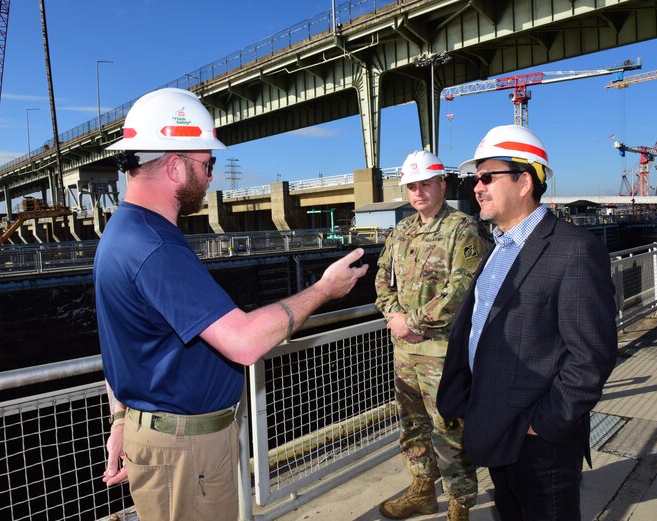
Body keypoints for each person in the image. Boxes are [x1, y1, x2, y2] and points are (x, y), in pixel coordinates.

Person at [94, 87, 369, 521]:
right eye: (207, 164)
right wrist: (324, 289)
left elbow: (119, 342)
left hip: (167, 439)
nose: (210, 177)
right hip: (186, 453)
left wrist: (121, 420)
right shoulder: (155, 247)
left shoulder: (121, 233)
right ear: (174, 166)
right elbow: (242, 342)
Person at [437, 124, 618, 521]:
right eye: (474, 178)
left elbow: (592, 356)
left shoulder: (574, 251)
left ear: (524, 182)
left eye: (487, 177)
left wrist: (544, 425)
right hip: (496, 425)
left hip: (538, 440)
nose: (477, 187)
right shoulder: (498, 247)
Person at [375, 150, 486, 520]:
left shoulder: (462, 228)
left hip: (443, 353)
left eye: (425, 184)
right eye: (412, 186)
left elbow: (461, 290)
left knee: (450, 432)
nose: (418, 192)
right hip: (404, 351)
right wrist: (393, 314)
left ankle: (460, 505)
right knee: (412, 427)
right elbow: (382, 279)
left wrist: (415, 323)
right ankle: (422, 491)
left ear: (441, 184)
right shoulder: (402, 230)